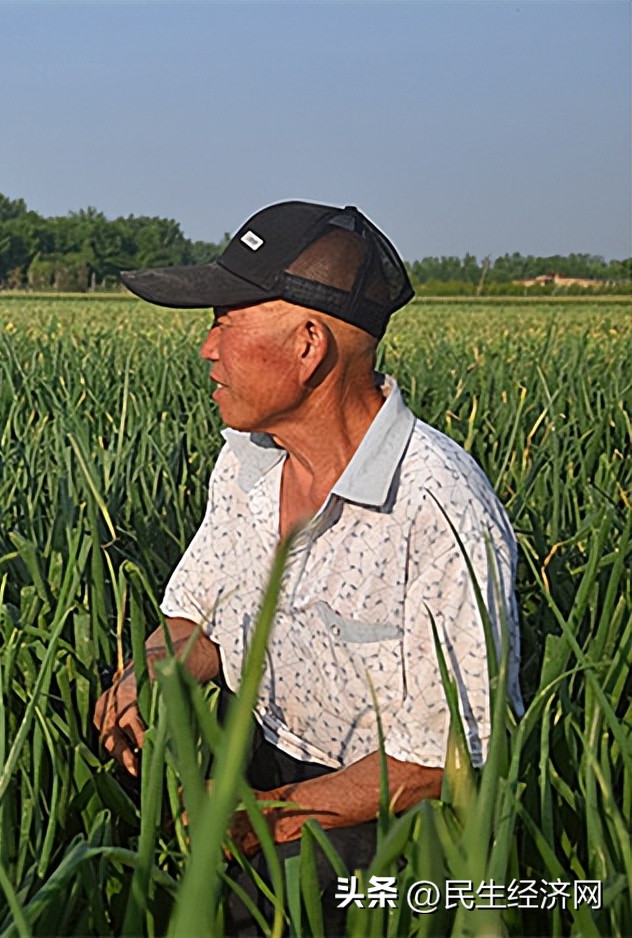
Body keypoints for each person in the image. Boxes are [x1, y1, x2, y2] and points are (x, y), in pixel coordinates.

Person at [92, 201, 522, 925]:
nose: (207, 348)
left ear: (308, 346)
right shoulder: (247, 462)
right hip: (260, 746)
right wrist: (146, 676)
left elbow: (443, 761)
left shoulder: (438, 506)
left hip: (384, 810)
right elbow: (200, 617)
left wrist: (266, 816)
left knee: (260, 903)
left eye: (225, 321)